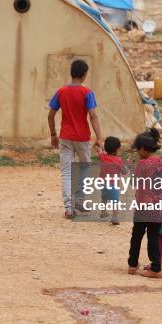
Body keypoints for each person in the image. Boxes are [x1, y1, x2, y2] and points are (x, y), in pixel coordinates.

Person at [48, 60, 102, 219]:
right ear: (84, 75)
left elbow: (50, 115)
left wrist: (53, 134)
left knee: (66, 171)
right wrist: (99, 138)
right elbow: (93, 115)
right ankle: (79, 199)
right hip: (83, 138)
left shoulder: (61, 92)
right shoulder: (87, 93)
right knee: (85, 168)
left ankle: (69, 208)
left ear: (71, 73)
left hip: (65, 137)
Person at [127, 128, 162, 279]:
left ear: (144, 149)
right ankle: (156, 267)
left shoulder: (142, 164)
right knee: (154, 237)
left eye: (138, 150)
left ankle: (132, 265)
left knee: (137, 235)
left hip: (143, 206)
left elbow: (135, 182)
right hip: (158, 206)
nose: (138, 152)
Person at [98, 136, 125, 225]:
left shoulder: (102, 156)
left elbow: (97, 149)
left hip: (102, 183)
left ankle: (103, 212)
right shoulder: (118, 160)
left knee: (104, 197)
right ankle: (114, 217)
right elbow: (124, 171)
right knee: (115, 201)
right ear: (117, 149)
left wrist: (101, 146)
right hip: (113, 185)